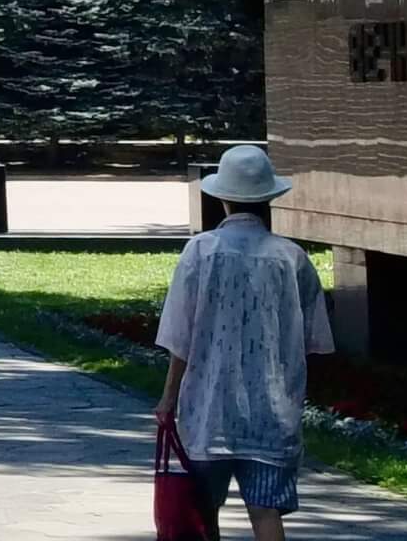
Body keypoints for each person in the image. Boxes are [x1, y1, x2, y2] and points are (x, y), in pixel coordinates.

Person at [156, 145, 335, 541]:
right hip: (271, 412)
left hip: (208, 409)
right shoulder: (292, 258)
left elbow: (179, 336)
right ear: (269, 198)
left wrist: (169, 398)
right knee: (266, 511)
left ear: (221, 196)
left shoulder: (200, 252)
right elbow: (312, 340)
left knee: (203, 511)